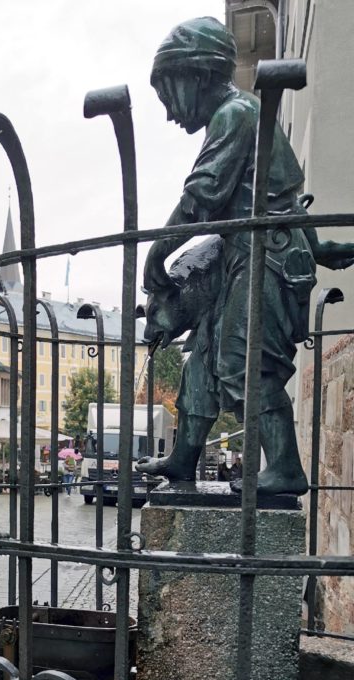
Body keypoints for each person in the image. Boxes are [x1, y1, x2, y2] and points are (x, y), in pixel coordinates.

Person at [138, 16, 354, 496]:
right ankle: (183, 459)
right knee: (204, 362)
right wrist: (319, 247)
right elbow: (284, 200)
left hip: (266, 260)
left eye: (168, 94)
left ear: (195, 75)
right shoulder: (242, 116)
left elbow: (202, 199)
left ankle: (284, 468)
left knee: (244, 361)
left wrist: (159, 251)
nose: (169, 112)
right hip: (249, 256)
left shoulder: (236, 114)